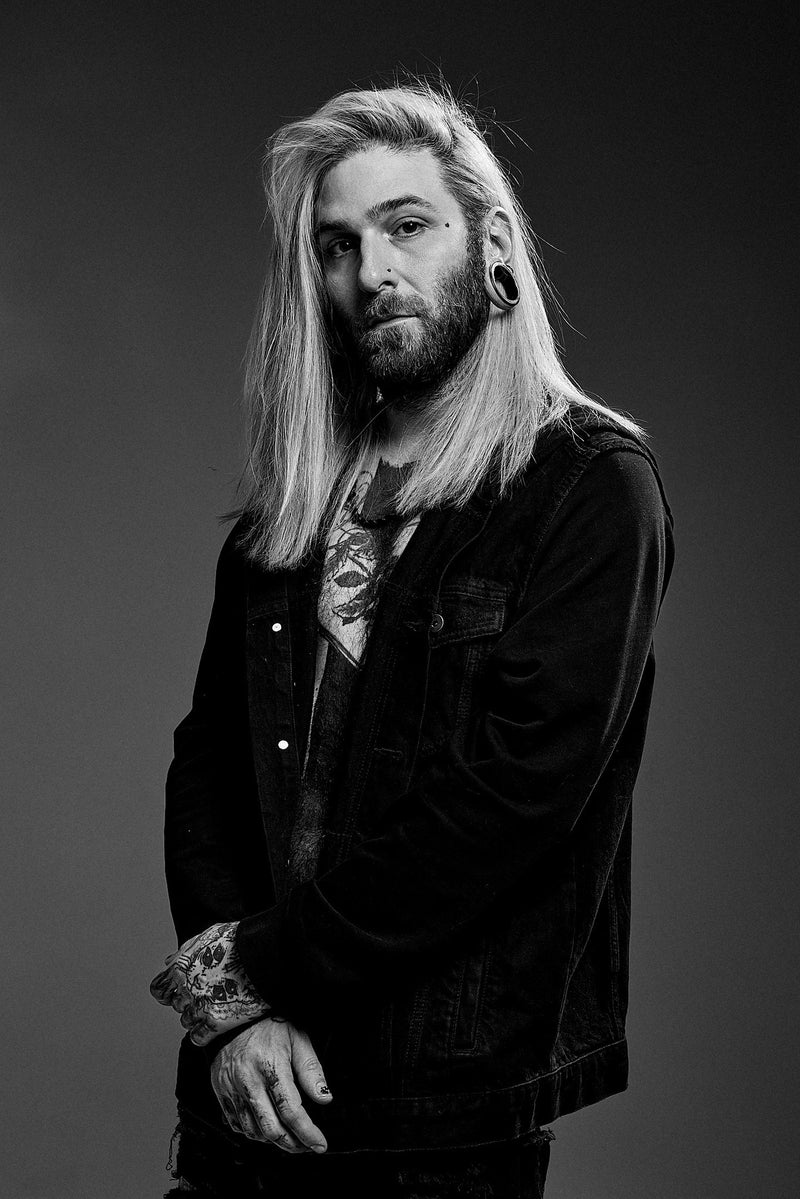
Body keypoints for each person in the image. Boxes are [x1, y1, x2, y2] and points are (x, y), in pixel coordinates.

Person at [150, 79, 675, 1199]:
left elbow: (512, 801)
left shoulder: (588, 488)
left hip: (435, 1116)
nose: (371, 271)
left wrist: (246, 970)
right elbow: (209, 763)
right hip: (245, 1095)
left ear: (492, 247)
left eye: (407, 226)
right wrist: (234, 1019)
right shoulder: (292, 504)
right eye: (337, 245)